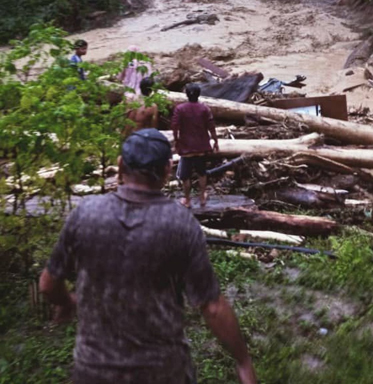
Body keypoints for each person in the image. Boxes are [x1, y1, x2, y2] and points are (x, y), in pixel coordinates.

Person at [39, 129, 257, 384]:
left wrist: (66, 301)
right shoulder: (180, 224)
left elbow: (48, 284)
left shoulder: (86, 213)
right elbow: (212, 307)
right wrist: (243, 361)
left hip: (94, 372)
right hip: (164, 372)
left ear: (120, 166)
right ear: (168, 170)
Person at [172, 84, 219, 208]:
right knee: (202, 173)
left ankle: (187, 200)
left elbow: (175, 127)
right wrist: (215, 142)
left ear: (186, 94)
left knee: (185, 176)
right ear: (199, 94)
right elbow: (211, 127)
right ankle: (202, 196)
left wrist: (176, 141)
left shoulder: (180, 109)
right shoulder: (204, 109)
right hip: (201, 146)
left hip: (186, 147)